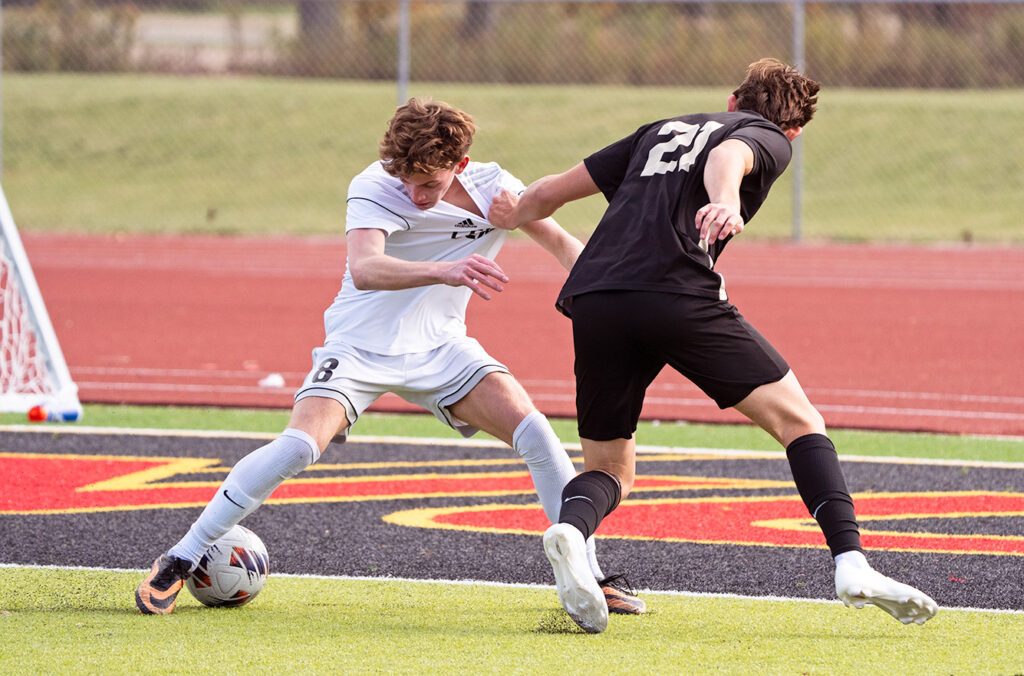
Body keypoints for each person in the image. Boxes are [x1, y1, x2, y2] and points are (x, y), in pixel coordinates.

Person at [134, 97, 645, 616]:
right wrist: (444, 270)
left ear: (461, 165)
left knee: (536, 434)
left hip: (442, 348)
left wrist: (608, 295)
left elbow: (561, 242)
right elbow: (366, 268)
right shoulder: (374, 185)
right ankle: (181, 556)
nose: (415, 194)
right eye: (406, 181)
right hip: (359, 345)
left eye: (429, 184)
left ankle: (588, 575)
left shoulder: (496, 188)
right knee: (298, 447)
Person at [487, 58, 939, 634]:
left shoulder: (659, 130)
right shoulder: (768, 137)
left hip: (596, 298)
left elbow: (548, 192)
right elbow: (730, 157)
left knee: (609, 467)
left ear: (732, 100)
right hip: (675, 293)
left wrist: (513, 210)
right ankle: (851, 563)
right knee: (801, 422)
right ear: (793, 130)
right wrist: (725, 198)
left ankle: (571, 533)